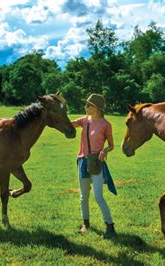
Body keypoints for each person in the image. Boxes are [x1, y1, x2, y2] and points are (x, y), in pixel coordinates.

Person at [72, 93, 117, 239]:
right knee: (83, 197)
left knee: (98, 196)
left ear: (96, 108)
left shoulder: (106, 125)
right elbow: (68, 124)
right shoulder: (84, 120)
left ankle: (110, 227)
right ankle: (86, 224)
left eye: (88, 105)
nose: (85, 107)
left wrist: (105, 150)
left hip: (97, 162)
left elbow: (111, 145)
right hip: (82, 161)